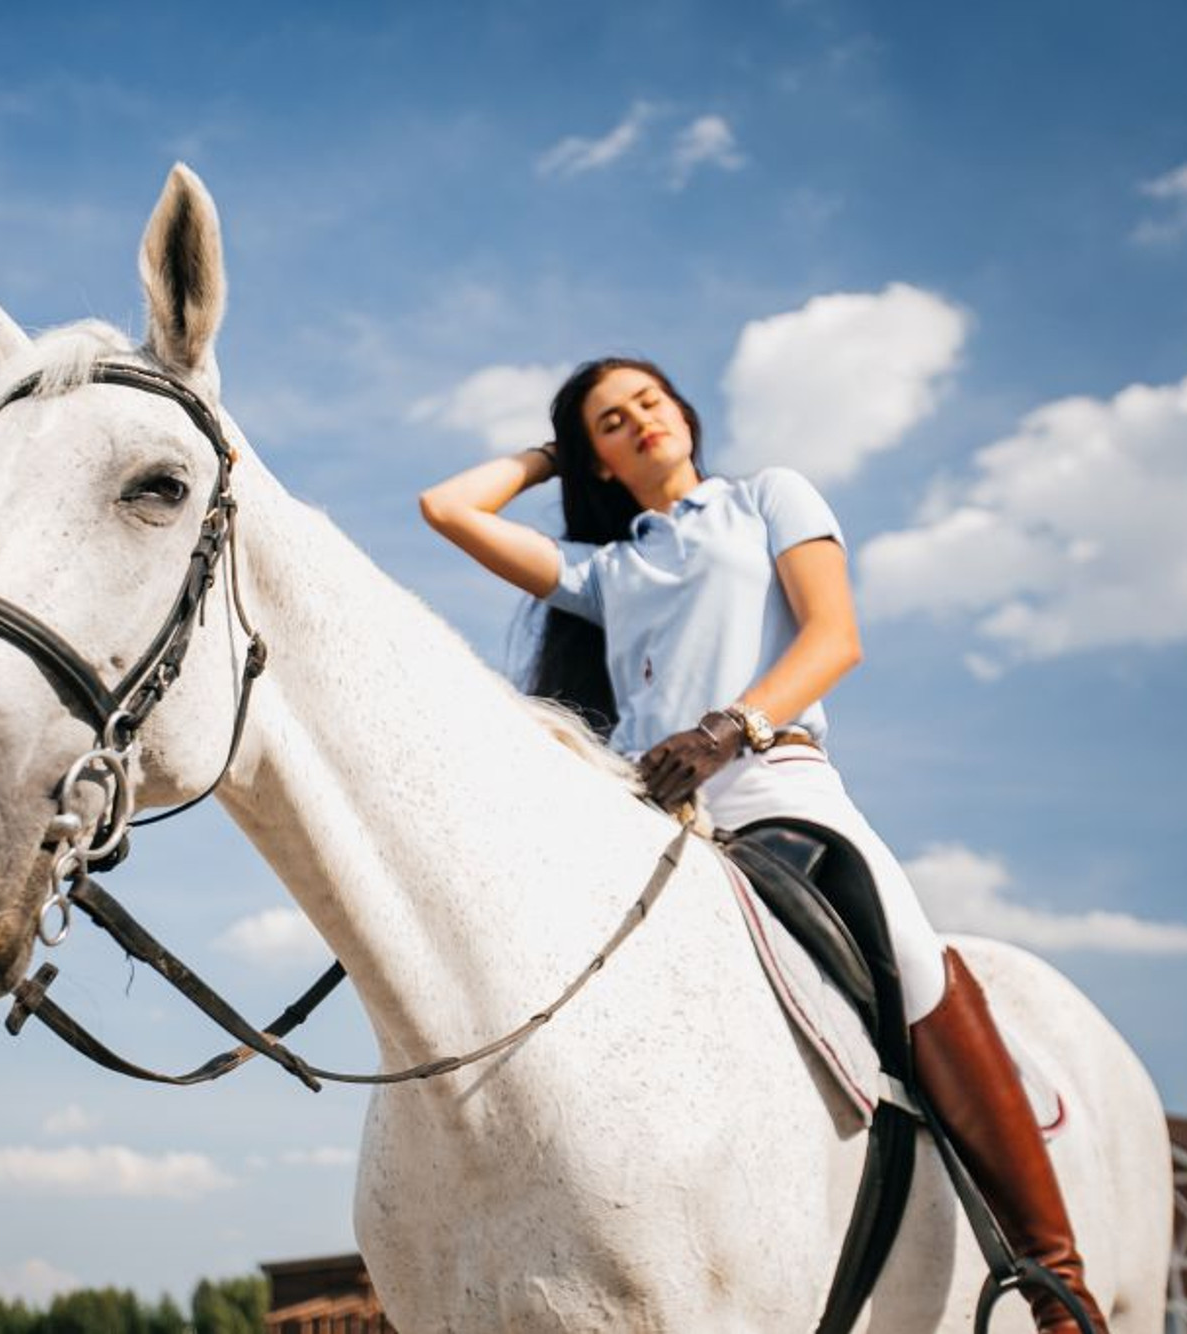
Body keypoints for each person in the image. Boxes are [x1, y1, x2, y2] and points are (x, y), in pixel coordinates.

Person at [418, 357, 1107, 1334]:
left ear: (684, 412)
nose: (638, 422)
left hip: (773, 782)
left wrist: (727, 727)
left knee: (911, 956)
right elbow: (444, 507)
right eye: (610, 423)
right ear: (599, 459)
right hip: (649, 813)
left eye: (647, 401)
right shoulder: (606, 570)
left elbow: (833, 636)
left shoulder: (767, 496)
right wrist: (548, 454)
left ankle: (1054, 1280)